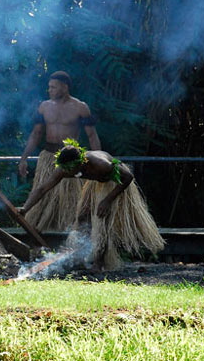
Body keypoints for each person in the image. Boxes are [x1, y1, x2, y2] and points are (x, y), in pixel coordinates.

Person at [18, 139, 164, 271]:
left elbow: (128, 177)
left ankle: (99, 264)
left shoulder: (101, 164)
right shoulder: (65, 168)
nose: (67, 173)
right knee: (82, 218)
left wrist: (107, 200)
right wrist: (26, 208)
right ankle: (80, 257)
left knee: (102, 222)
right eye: (65, 169)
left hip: (115, 185)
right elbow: (42, 188)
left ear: (80, 163)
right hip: (95, 186)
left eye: (70, 170)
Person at [17, 71, 102, 231]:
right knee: (44, 193)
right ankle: (37, 233)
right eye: (49, 87)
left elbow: (92, 136)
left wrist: (98, 159)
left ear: (65, 87)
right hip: (48, 158)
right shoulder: (44, 106)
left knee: (70, 199)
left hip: (71, 160)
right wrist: (23, 159)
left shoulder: (80, 107)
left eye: (53, 87)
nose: (50, 90)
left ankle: (70, 231)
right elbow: (36, 134)